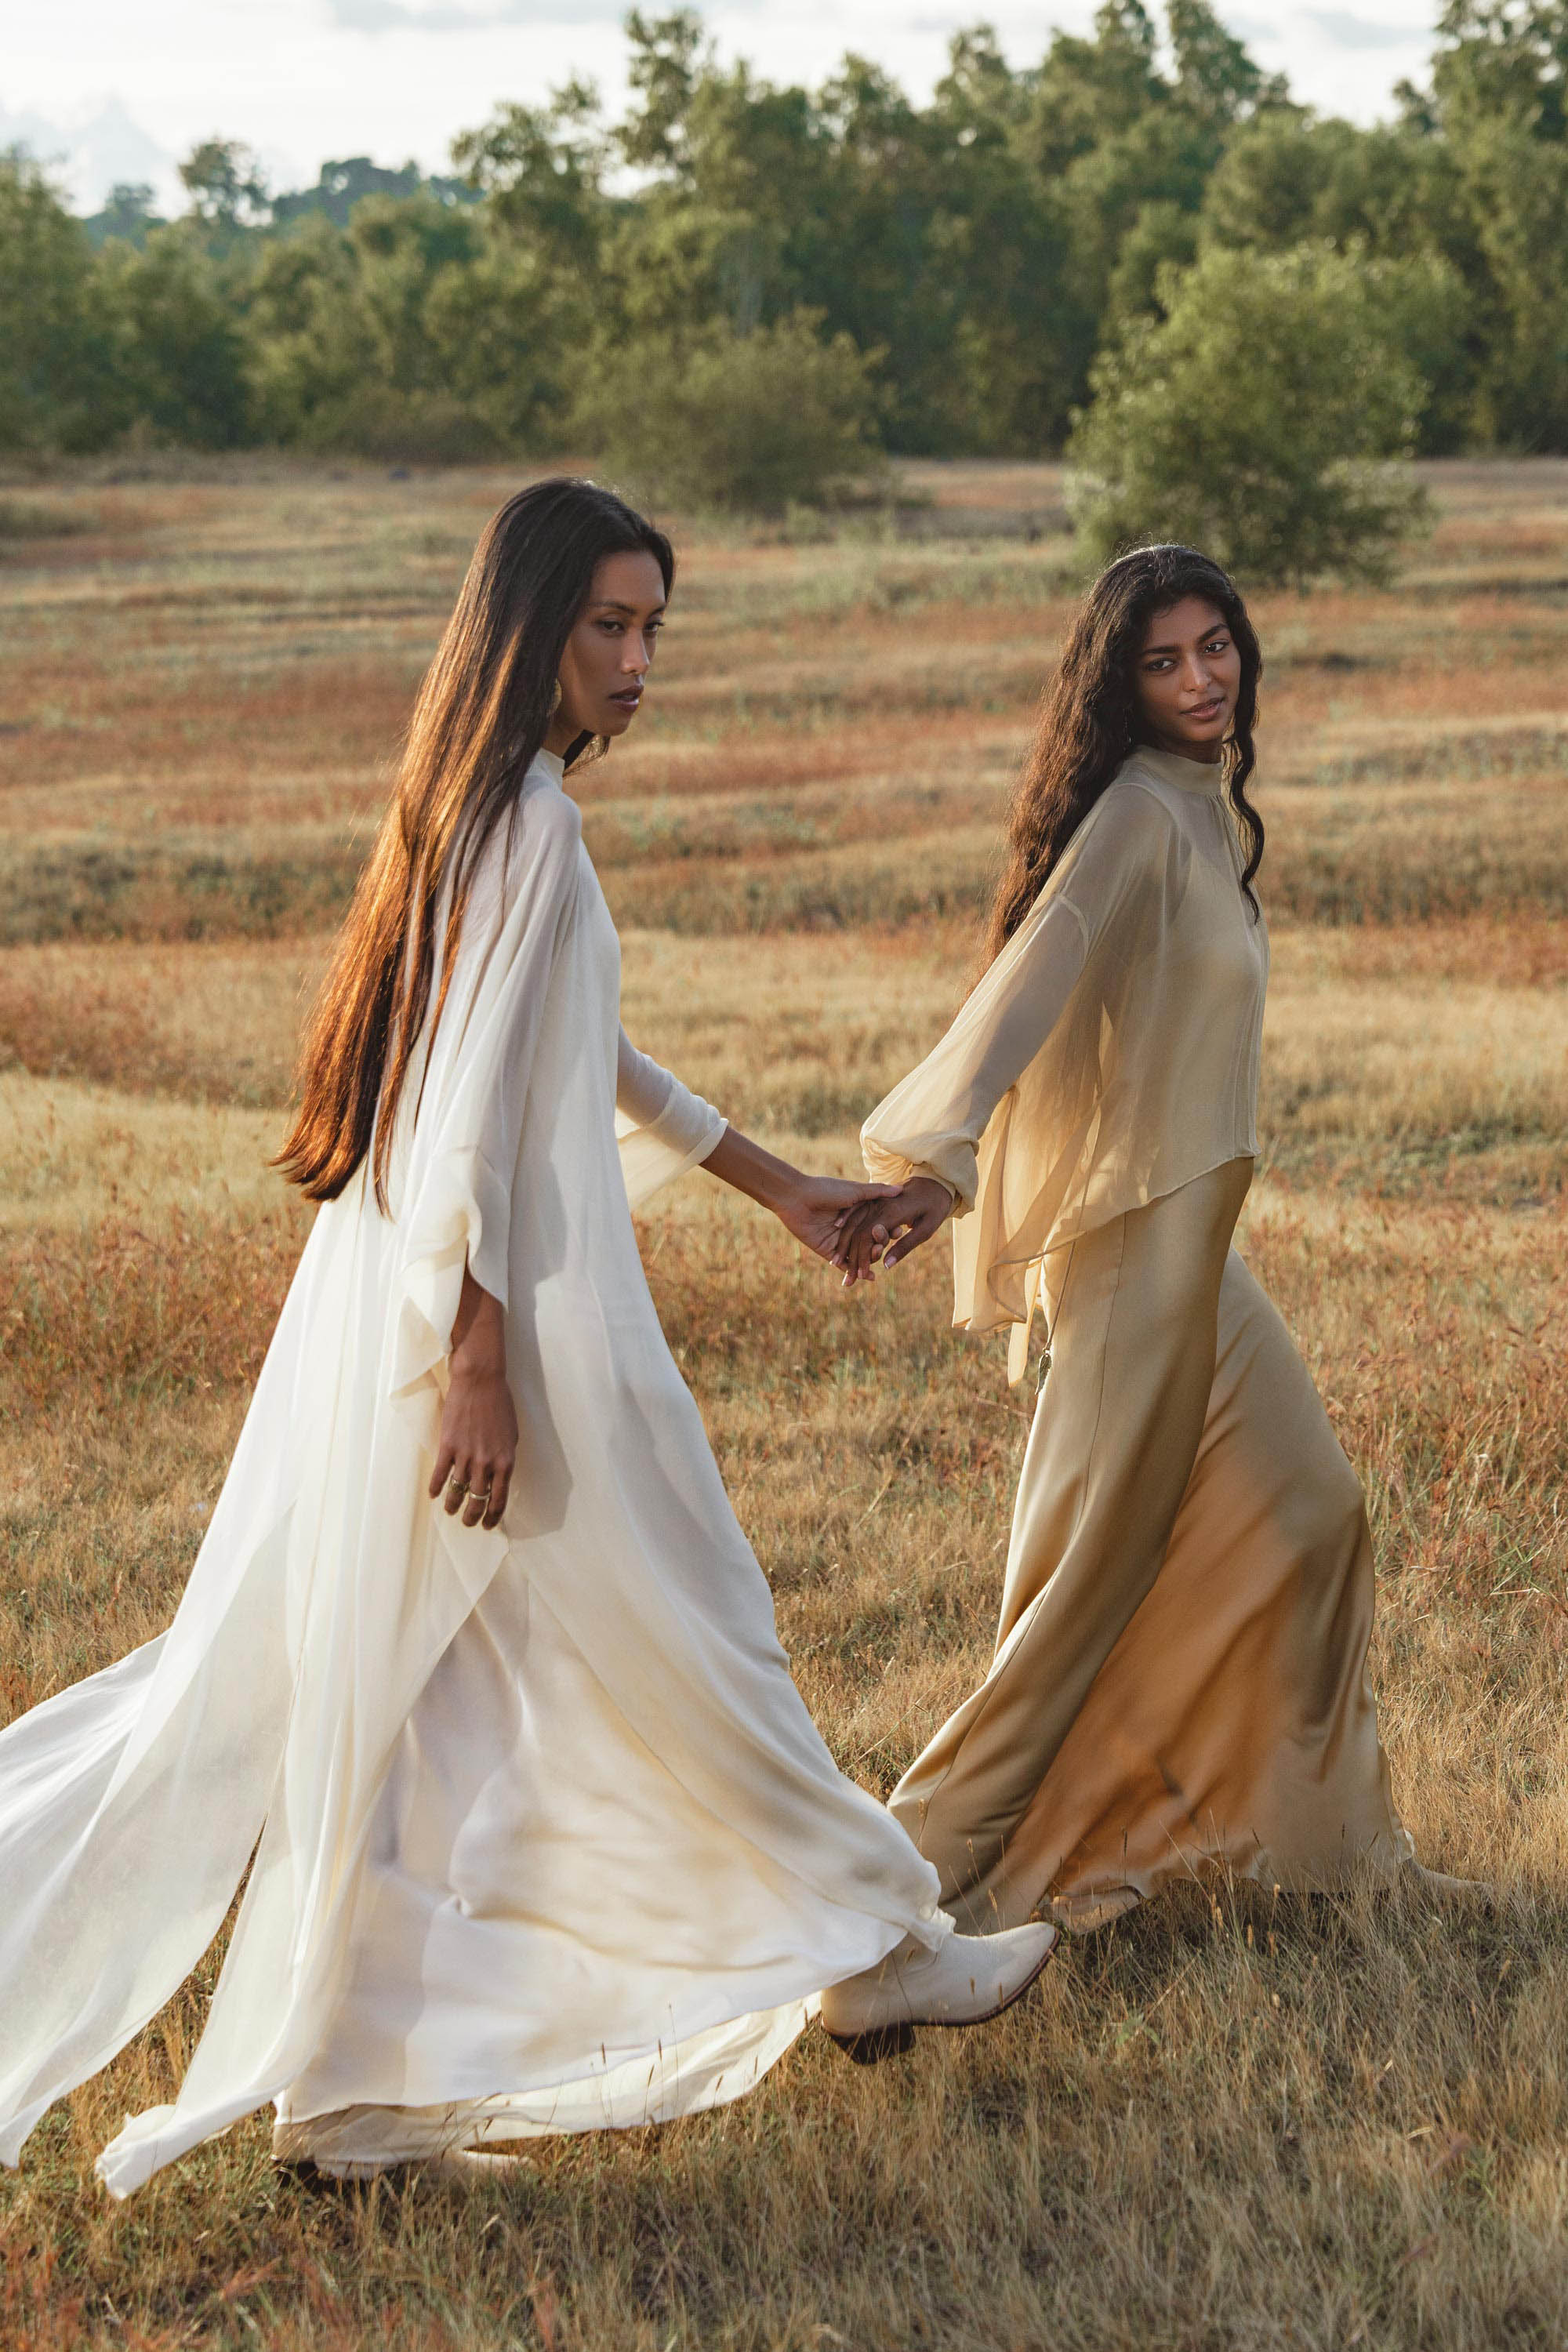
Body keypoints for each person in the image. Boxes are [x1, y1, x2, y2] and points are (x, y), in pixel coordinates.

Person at [0, 479, 1054, 2195]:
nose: (640, 661)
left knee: (416, 1700)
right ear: (529, 630)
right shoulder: (526, 824)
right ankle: (878, 1956)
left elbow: (590, 1054)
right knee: (702, 1628)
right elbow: (471, 1112)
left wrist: (777, 1185)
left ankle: (350, 2102)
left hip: (484, 1310)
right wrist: (476, 1361)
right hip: (523, 1331)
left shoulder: (484, 808)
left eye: (654, 629)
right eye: (608, 628)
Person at [832, 543, 1415, 1938]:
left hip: (1201, 1253)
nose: (1202, 678)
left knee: (1319, 1517)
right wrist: (940, 1161)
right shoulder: (1138, 820)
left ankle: (1336, 1854)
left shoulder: (1203, 805)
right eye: (1164, 660)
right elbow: (1028, 985)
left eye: (1216, 646)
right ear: (1118, 681)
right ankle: (884, 1903)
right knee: (1083, 1595)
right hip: (1136, 1262)